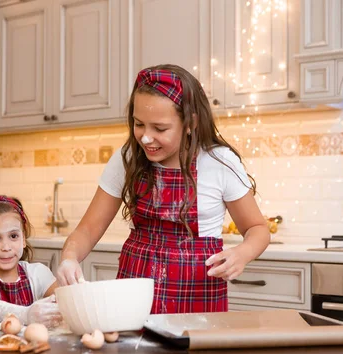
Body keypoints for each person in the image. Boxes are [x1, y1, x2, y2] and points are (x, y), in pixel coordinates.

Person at [57, 64, 270, 314]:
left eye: (159, 129)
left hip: (198, 295)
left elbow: (257, 229)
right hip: (135, 289)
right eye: (138, 124)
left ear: (190, 123)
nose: (146, 137)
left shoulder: (218, 162)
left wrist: (242, 253)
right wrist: (69, 257)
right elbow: (89, 228)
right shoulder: (127, 158)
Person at [0, 195, 63, 327]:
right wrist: (25, 314)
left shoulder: (37, 273)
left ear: (23, 239)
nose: (6, 247)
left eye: (13, 236)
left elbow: (64, 302)